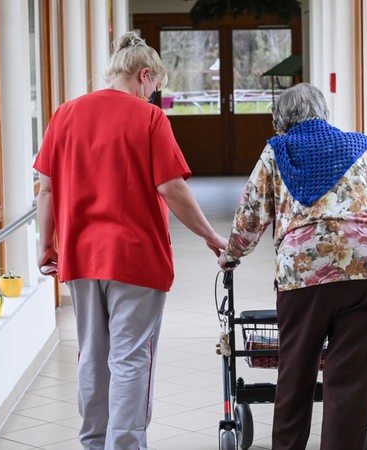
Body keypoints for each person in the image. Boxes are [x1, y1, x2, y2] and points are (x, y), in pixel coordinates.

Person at [33, 31, 227, 450]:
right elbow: (172, 188)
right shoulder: (150, 119)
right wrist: (211, 236)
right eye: (156, 86)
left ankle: (93, 441)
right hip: (137, 260)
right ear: (144, 75)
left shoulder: (64, 114)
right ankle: (123, 445)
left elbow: (45, 189)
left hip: (81, 257)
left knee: (91, 355)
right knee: (131, 357)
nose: (154, 95)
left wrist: (45, 246)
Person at [217, 83, 367, 450]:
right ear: (324, 112)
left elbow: (251, 214)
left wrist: (232, 254)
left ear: (280, 121)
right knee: (350, 383)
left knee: (296, 377)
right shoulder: (361, 147)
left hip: (304, 274)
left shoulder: (277, 151)